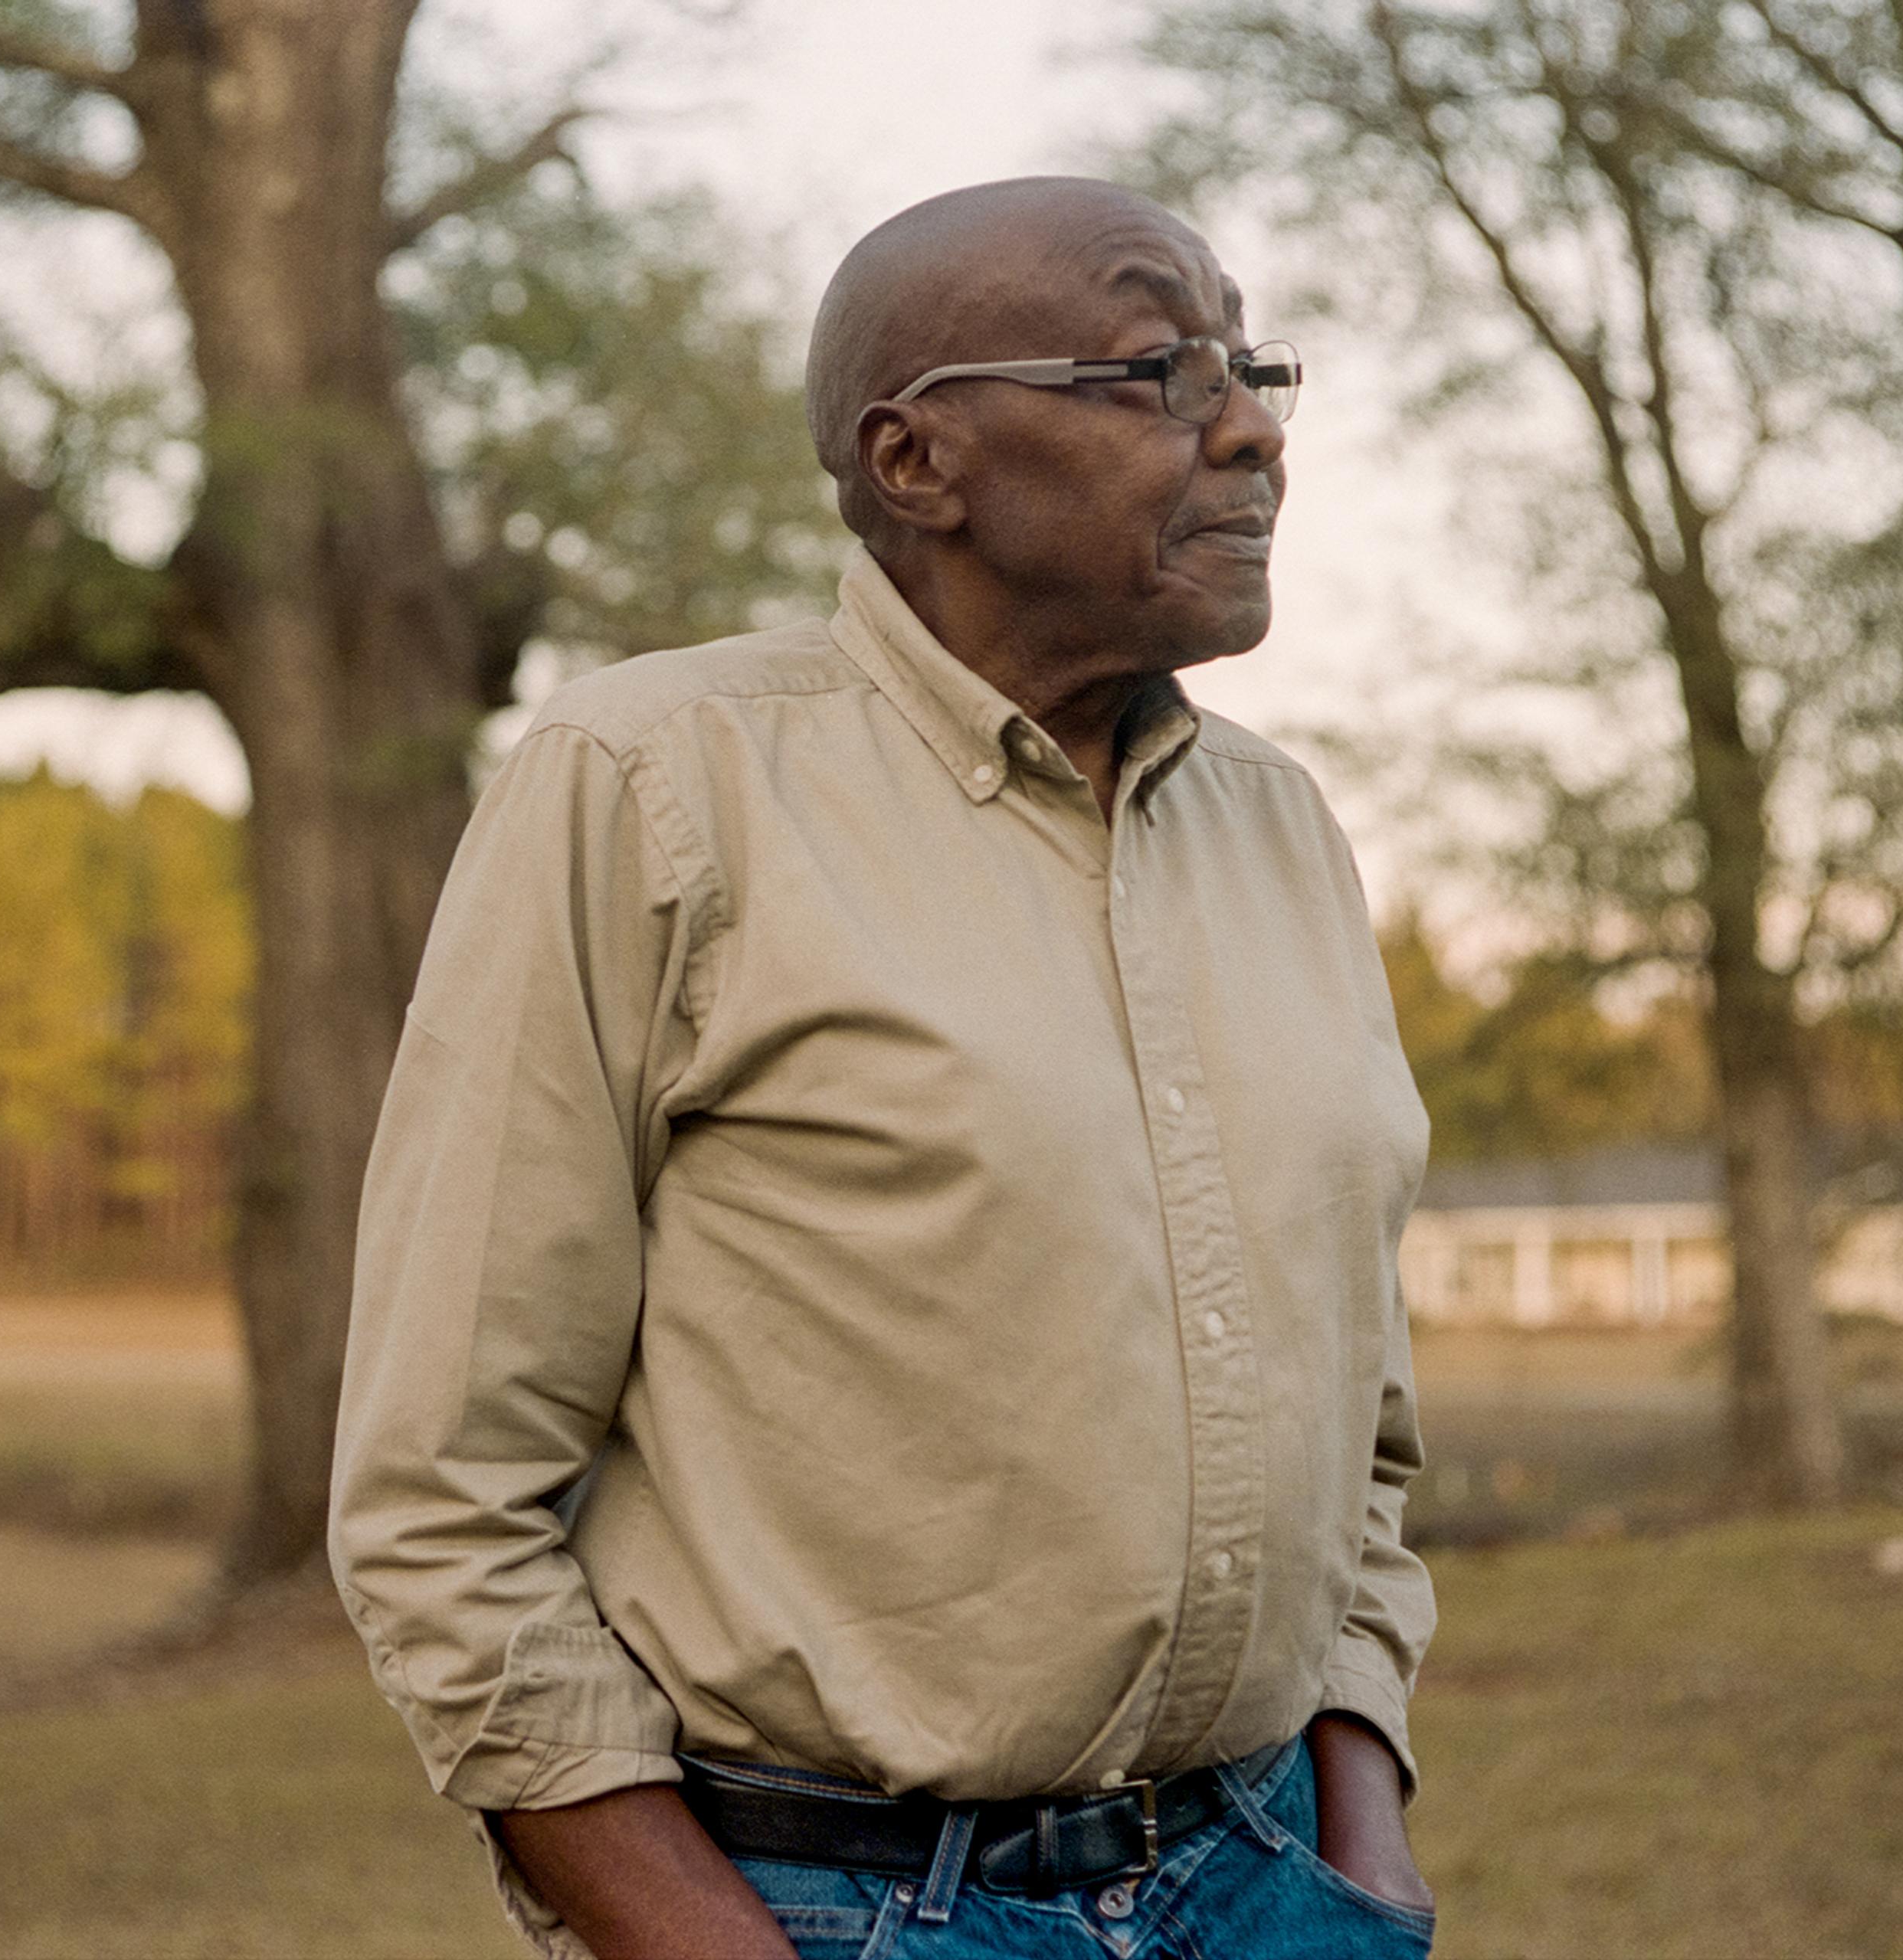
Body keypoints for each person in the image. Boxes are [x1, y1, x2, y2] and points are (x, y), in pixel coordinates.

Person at [329, 176, 1437, 1960]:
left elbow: (1363, 1426)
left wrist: (1359, 1833)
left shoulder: (1284, 829)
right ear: (918, 462)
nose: (1247, 428)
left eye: (1254, 366)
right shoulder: (651, 786)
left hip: (1274, 1877)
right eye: (1158, 366)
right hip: (836, 1908)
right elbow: (442, 1502)